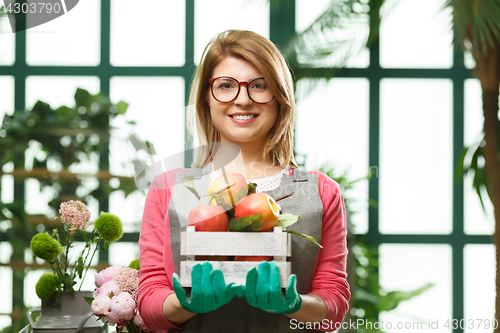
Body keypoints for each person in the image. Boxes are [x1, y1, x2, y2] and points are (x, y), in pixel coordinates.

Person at [137, 29, 350, 332]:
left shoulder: (322, 191)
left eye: (259, 86)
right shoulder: (167, 190)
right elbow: (149, 303)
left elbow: (334, 305)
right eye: (225, 86)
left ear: (279, 97)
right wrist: (182, 304)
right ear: (206, 99)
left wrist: (296, 305)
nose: (243, 100)